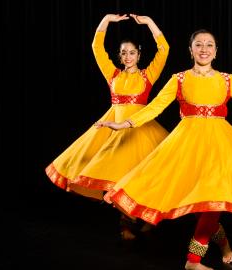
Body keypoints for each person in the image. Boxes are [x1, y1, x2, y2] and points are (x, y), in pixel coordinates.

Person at [95, 29, 232, 270]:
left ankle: (193, 260)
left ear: (216, 51)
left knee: (213, 200)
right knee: (203, 205)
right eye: (199, 44)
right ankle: (223, 244)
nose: (204, 49)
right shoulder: (179, 79)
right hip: (187, 145)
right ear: (191, 50)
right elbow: (154, 107)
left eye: (209, 45)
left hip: (221, 144)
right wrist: (123, 123)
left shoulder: (227, 80)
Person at [45, 13, 170, 240]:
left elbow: (164, 49)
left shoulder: (148, 75)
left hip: (140, 127)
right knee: (114, 173)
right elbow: (96, 47)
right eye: (124, 53)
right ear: (120, 57)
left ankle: (145, 217)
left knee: (142, 175)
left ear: (140, 54)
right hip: (114, 127)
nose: (128, 56)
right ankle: (126, 221)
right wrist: (106, 20)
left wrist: (150, 22)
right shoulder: (112, 75)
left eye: (132, 52)